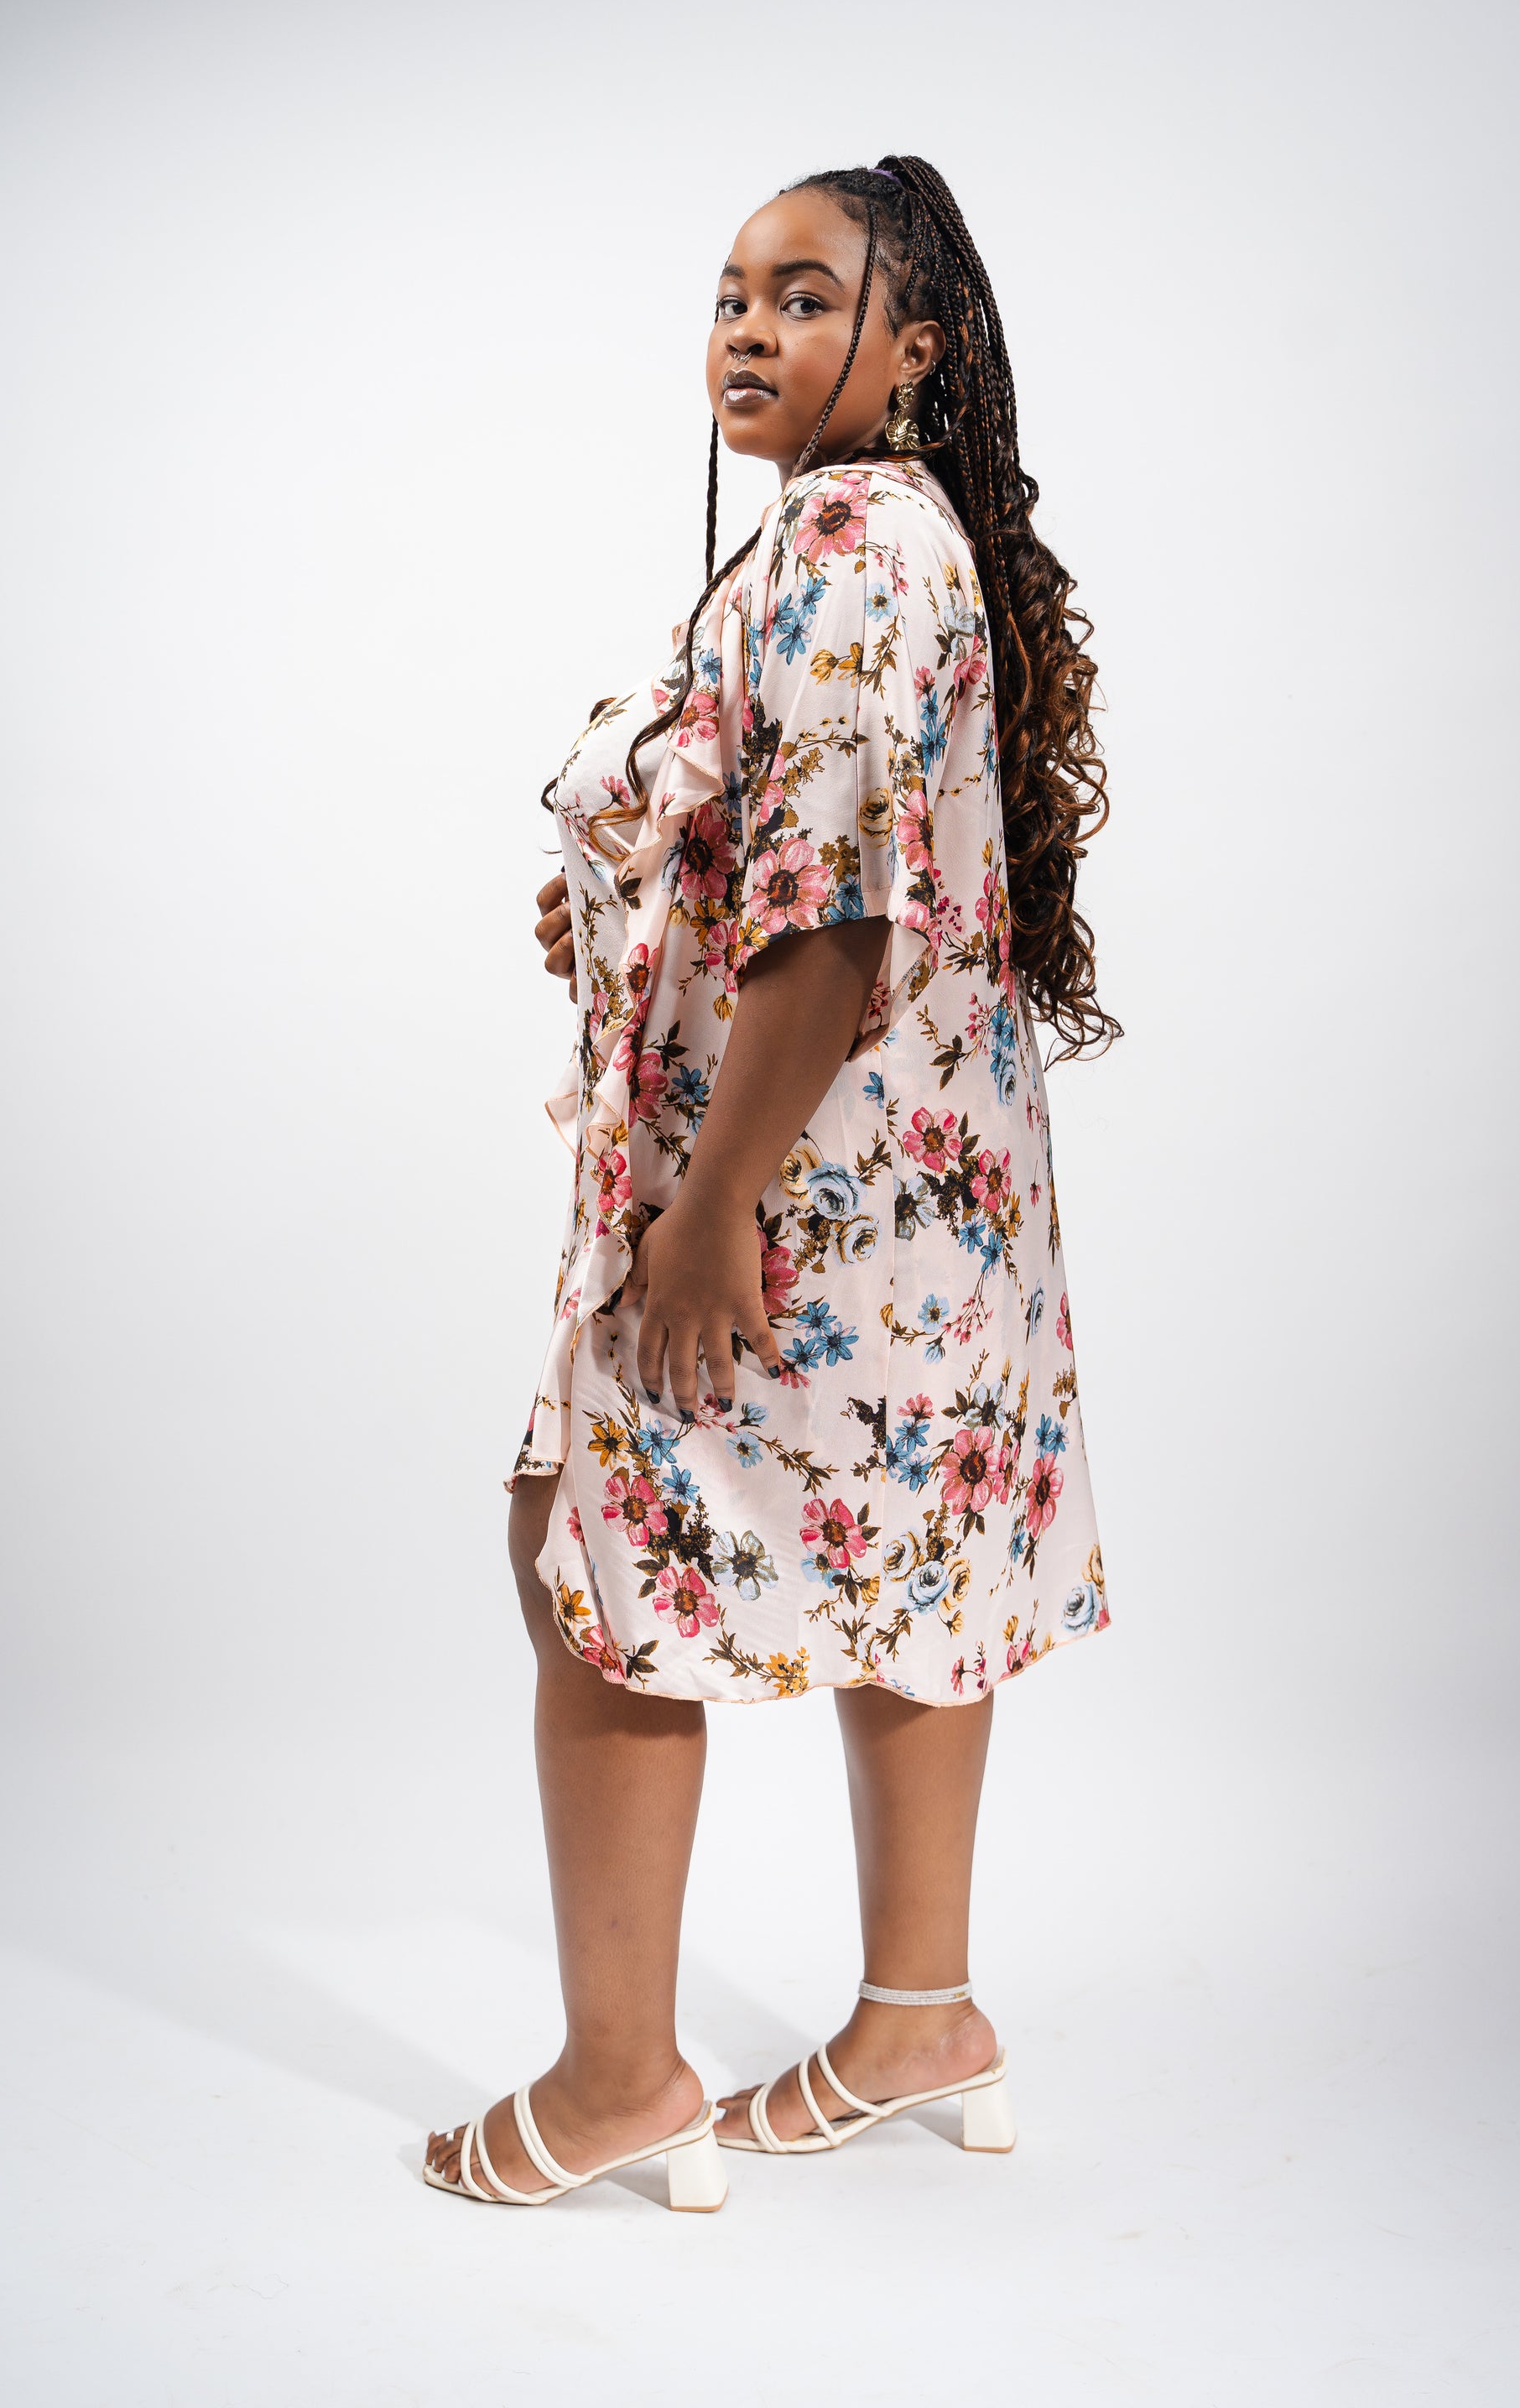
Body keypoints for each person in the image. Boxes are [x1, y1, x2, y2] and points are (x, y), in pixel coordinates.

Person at [425, 156, 1117, 2212]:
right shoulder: (902, 538)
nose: (748, 327)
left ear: (917, 349)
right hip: (924, 1196)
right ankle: (921, 2013)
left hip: (790, 1190)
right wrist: (637, 903)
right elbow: (811, 855)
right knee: (913, 1540)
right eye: (732, 293)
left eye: (807, 296)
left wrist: (707, 1206)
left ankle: (615, 2078)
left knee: (593, 1560)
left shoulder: (837, 538)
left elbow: (831, 922)